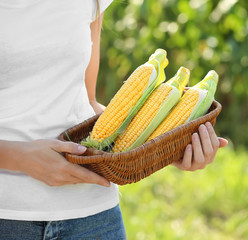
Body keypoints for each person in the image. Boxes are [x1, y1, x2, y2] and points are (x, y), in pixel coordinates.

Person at [0, 0, 228, 239]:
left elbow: (88, 101)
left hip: (94, 218)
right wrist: (20, 158)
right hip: (9, 217)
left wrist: (163, 146)